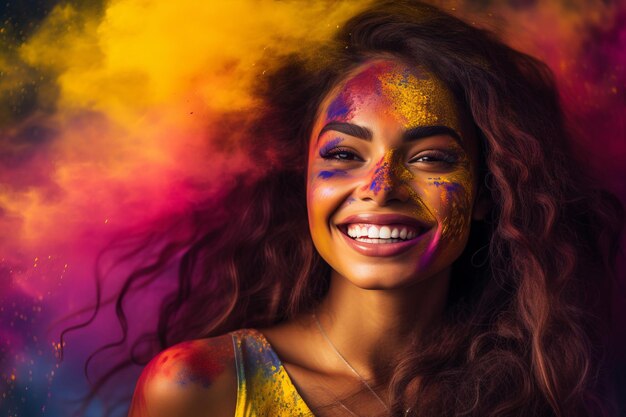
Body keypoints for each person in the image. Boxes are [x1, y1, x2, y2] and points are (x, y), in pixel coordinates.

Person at [121, 1, 623, 416]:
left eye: (430, 158)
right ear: (303, 178)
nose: (382, 189)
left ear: (489, 191)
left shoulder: (540, 393)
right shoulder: (200, 387)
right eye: (343, 154)